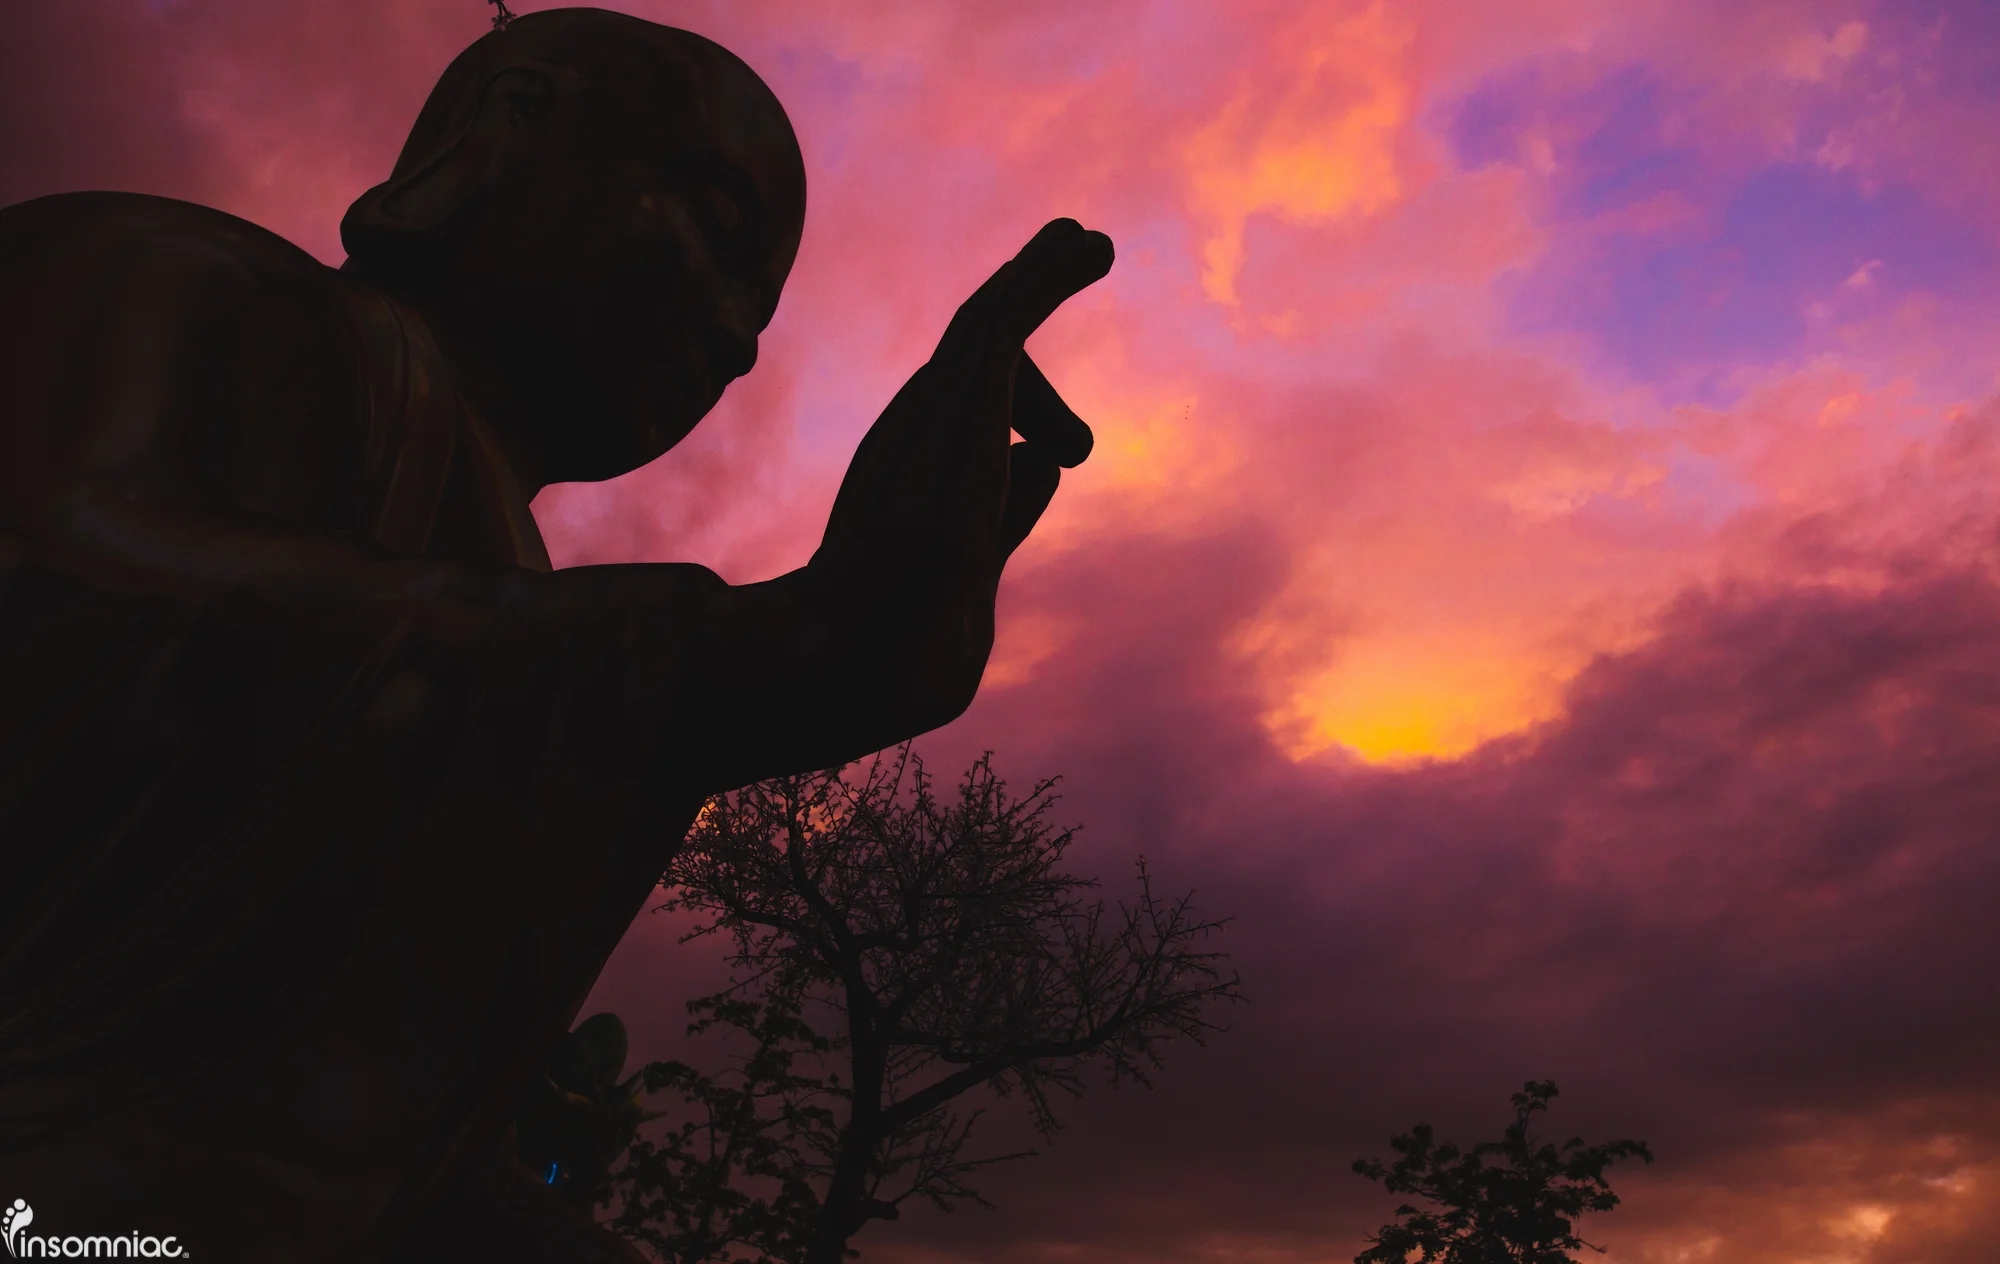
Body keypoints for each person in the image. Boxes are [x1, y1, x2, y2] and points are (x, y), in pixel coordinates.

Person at [0, 9, 1111, 1260]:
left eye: (759, 311)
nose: (736, 343)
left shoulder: (507, 570)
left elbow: (363, 1117)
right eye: (719, 232)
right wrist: (732, 658)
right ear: (509, 122)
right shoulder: (168, 275)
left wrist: (845, 633)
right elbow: (80, 579)